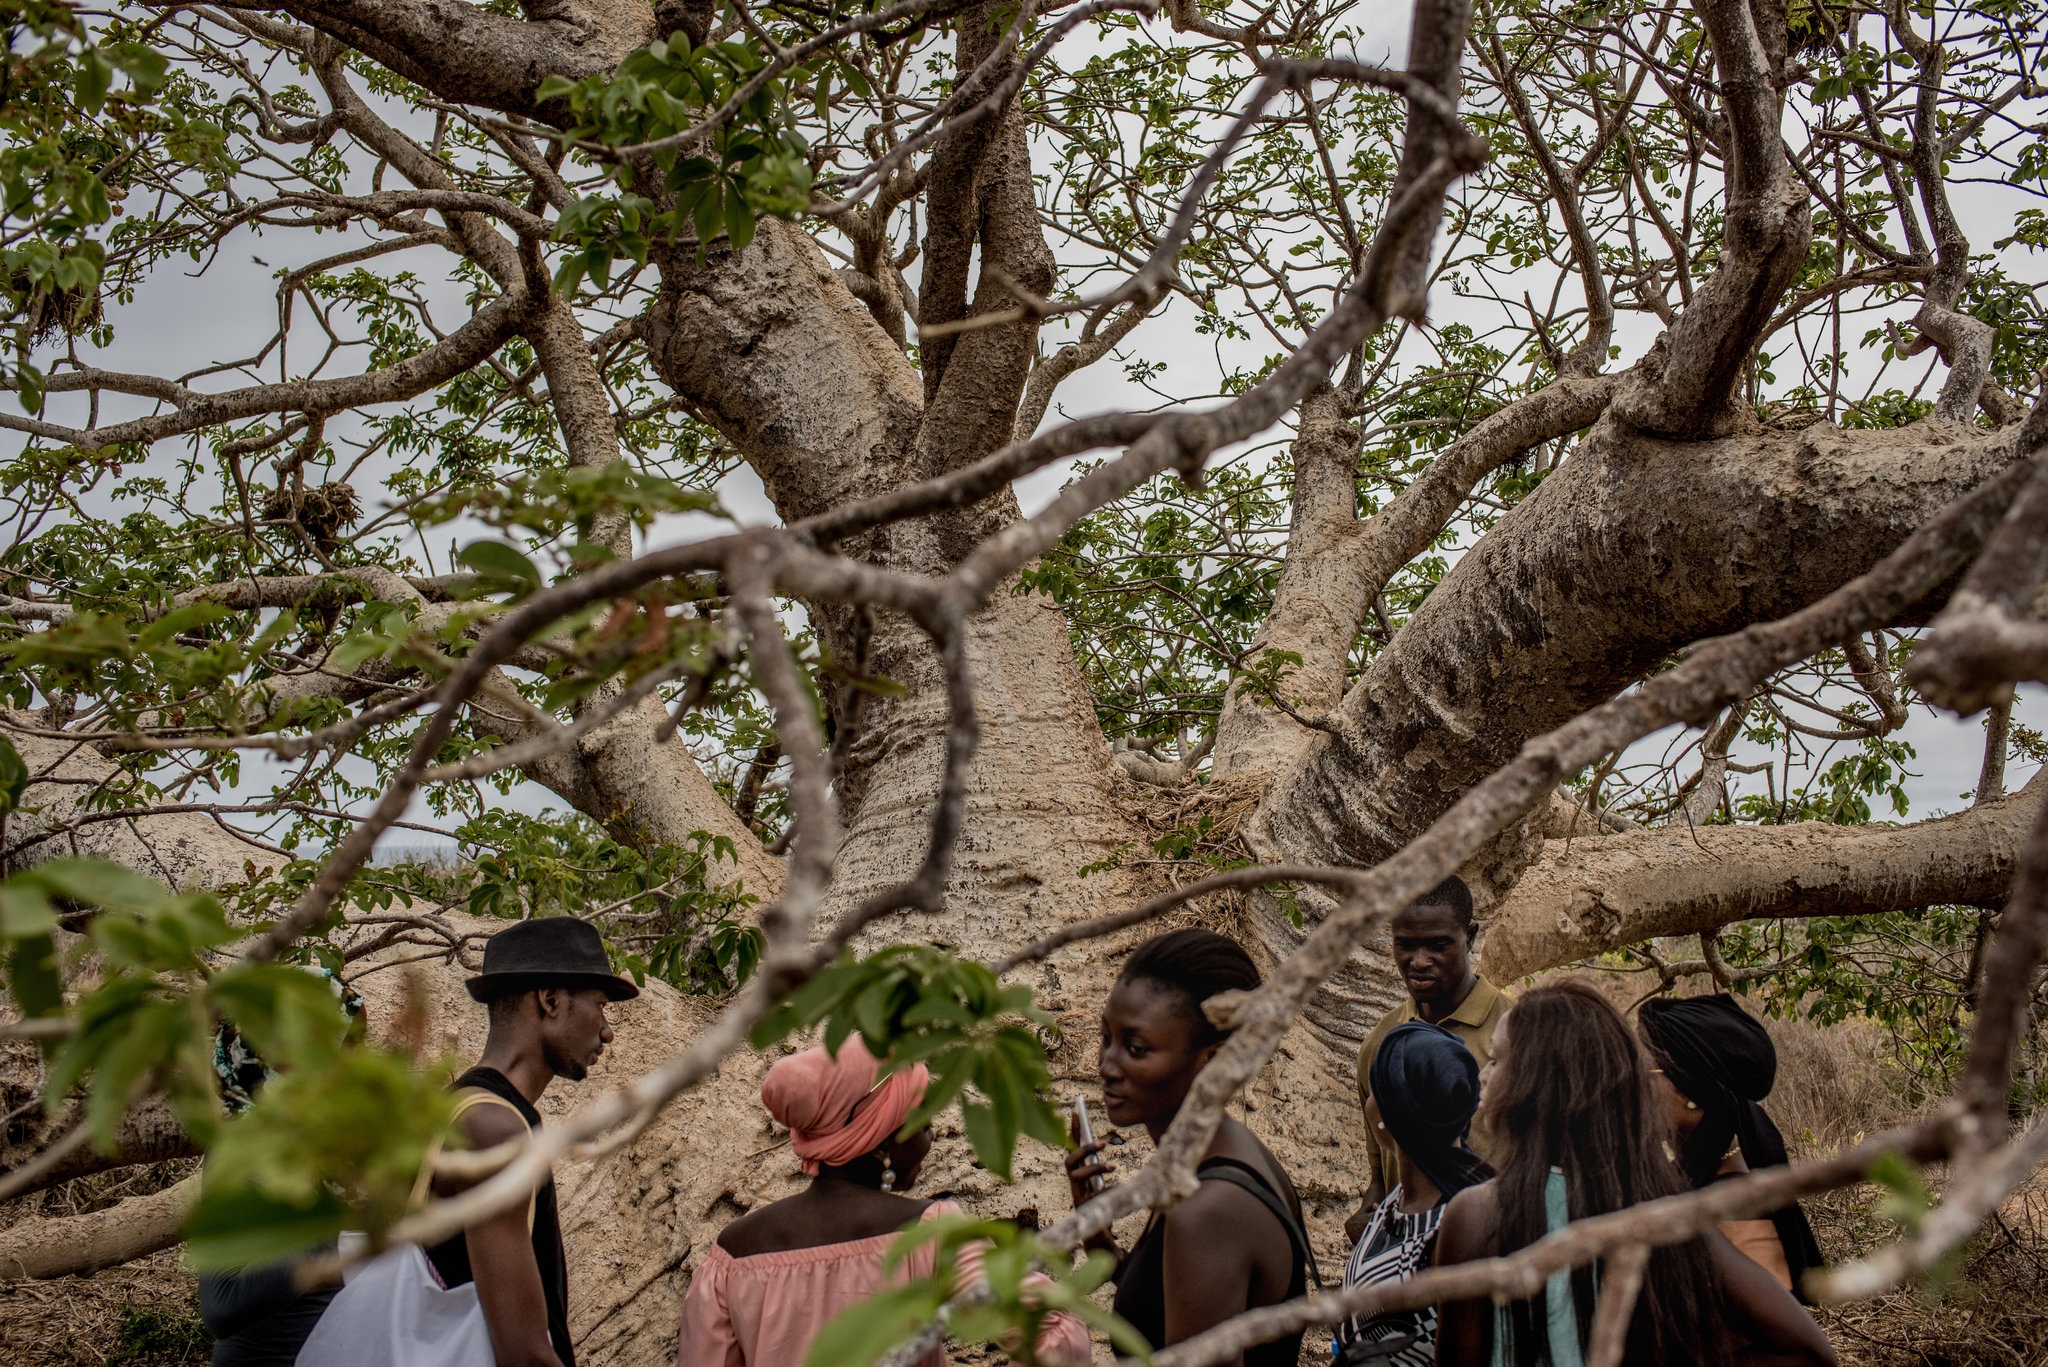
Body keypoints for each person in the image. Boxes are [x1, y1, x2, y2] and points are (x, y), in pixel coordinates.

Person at [1432, 981, 1835, 1367]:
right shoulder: (1662, 1208)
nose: (1484, 1072)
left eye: (1497, 1060)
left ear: (1537, 1082)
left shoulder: (1477, 1215)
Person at [677, 1035, 1088, 1367]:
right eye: (923, 1123)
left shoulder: (730, 1258)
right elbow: (1055, 1343)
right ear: (883, 1138)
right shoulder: (932, 1233)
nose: (932, 1138)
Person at [1064, 929, 1315, 1367]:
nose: (1106, 1065)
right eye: (1107, 1037)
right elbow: (1180, 1308)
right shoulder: (1230, 1152)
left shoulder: (1205, 1210)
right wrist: (1105, 1250)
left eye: (1136, 1048)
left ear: (1213, 1060)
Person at [427, 916, 637, 1367]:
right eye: (599, 1005)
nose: (606, 1031)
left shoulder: (464, 1107)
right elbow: (523, 1352)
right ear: (550, 999)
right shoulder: (493, 1128)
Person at [1345, 876, 1509, 1244]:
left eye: (1438, 945)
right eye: (1405, 945)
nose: (1418, 962)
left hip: (1491, 1254)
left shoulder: (1516, 1037)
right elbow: (1382, 1172)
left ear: (1469, 936)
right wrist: (1367, 1222)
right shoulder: (1380, 1045)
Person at [1638, 994, 1827, 1296]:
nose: (1634, 1086)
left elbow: (1777, 1337)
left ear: (1691, 1092)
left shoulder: (1737, 1208)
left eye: (1645, 1074)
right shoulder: (1704, 1171)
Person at [1333, 1021, 1490, 1367]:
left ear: (1391, 1115)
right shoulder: (1401, 1199)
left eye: (1375, 1092)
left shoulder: (1455, 1229)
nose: (1367, 1104)